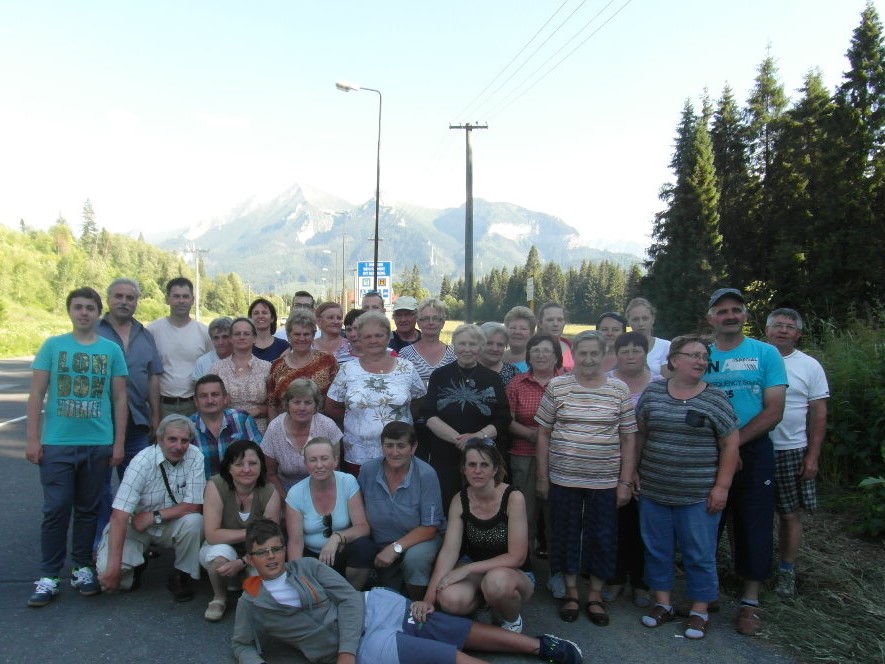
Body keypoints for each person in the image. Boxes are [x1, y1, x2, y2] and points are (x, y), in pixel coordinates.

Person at [231, 519, 583, 664]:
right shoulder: (251, 601)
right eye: (262, 553)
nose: (272, 557)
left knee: (450, 628)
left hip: (373, 610)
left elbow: (350, 599)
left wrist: (345, 654)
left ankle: (539, 645)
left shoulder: (306, 567)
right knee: (441, 655)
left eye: (276, 549)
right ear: (250, 558)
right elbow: (241, 644)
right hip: (366, 645)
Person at [25, 287, 129, 607]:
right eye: (78, 307)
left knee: (88, 509)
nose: (84, 313)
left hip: (97, 443)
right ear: (70, 311)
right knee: (56, 509)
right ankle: (49, 575)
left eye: (89, 308)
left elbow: (119, 398)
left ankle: (82, 567)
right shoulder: (53, 346)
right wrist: (33, 439)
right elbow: (36, 393)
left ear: (98, 313)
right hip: (58, 443)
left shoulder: (111, 350)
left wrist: (118, 443)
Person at [635, 335, 740, 639]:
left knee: (699, 553)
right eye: (693, 355)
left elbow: (730, 443)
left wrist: (722, 487)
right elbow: (640, 434)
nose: (700, 361)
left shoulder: (714, 398)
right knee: (657, 549)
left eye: (704, 357)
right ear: (674, 360)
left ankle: (699, 611)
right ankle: (662, 604)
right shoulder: (653, 392)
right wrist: (633, 472)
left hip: (697, 495)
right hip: (654, 489)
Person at [535, 331, 637, 627]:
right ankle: (570, 592)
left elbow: (628, 438)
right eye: (583, 353)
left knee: (602, 537)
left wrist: (625, 482)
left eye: (594, 353)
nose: (589, 359)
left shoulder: (618, 389)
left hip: (605, 481)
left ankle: (594, 595)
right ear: (574, 355)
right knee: (566, 534)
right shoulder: (558, 386)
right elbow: (543, 433)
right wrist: (542, 476)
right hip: (564, 478)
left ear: (604, 356)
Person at [704, 288, 787, 636]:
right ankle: (705, 593)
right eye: (722, 311)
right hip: (708, 450)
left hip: (752, 450)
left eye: (736, 310)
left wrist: (734, 445)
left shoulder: (765, 353)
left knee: (754, 521)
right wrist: (723, 448)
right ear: (711, 318)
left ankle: (750, 602)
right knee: (706, 521)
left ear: (745, 315)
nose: (729, 316)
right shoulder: (702, 355)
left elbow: (774, 410)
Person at [416, 439, 533, 634]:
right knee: (449, 599)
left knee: (496, 582)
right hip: (477, 572)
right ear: (464, 469)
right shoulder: (460, 500)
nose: (477, 471)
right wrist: (429, 599)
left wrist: (467, 569)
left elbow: (517, 557)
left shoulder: (513, 497)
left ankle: (512, 620)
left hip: (513, 574)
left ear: (495, 469)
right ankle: (484, 603)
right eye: (471, 464)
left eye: (484, 464)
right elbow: (449, 552)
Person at [97, 414, 205, 602]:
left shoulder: (195, 455)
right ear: (160, 439)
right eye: (172, 439)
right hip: (135, 525)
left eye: (184, 441)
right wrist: (113, 568)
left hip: (169, 522)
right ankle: (137, 564)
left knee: (195, 521)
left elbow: (193, 506)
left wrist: (154, 516)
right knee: (109, 575)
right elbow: (119, 515)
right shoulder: (141, 462)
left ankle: (181, 575)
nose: (178, 446)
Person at [765, 308, 829, 598]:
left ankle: (786, 571)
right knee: (746, 513)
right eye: (777, 325)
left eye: (789, 327)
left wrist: (812, 456)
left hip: (790, 450)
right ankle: (751, 566)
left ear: (798, 334)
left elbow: (818, 414)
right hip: (753, 447)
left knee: (789, 514)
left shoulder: (809, 366)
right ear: (767, 330)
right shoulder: (755, 358)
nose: (783, 330)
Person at [421, 324, 512, 508]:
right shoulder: (439, 375)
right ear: (454, 346)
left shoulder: (493, 378)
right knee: (448, 504)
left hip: (483, 457)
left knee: (482, 506)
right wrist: (458, 439)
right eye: (462, 344)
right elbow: (429, 414)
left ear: (481, 347)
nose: (467, 349)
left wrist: (476, 438)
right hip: (446, 455)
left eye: (473, 344)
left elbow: (503, 417)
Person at [326, 311, 426, 475]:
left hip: (399, 452)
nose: (373, 341)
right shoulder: (347, 369)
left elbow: (419, 402)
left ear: (388, 337)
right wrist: (359, 419)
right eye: (368, 336)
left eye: (379, 335)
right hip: (359, 453)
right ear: (360, 339)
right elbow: (332, 406)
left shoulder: (406, 367)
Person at [358, 422, 446, 600]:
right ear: (382, 446)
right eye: (389, 445)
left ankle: (417, 604)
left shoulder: (426, 475)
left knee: (415, 560)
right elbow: (358, 512)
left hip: (419, 540)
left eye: (401, 446)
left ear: (413, 447)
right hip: (381, 544)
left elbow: (430, 527)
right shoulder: (368, 470)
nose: (394, 452)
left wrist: (395, 548)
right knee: (390, 595)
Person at [602, 331, 656, 606]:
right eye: (625, 350)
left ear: (646, 353)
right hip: (612, 463)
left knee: (644, 524)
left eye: (637, 350)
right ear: (617, 354)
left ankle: (641, 582)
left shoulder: (659, 384)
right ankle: (614, 578)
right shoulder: (606, 382)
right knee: (615, 523)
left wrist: (636, 468)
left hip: (651, 464)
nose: (631, 355)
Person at [199, 440, 281, 621]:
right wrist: (254, 532)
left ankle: (245, 582)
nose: (246, 469)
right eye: (239, 464)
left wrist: (243, 561)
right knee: (219, 556)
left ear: (261, 466)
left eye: (253, 463)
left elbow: (271, 540)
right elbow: (212, 535)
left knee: (262, 584)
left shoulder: (270, 492)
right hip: (222, 546)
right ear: (228, 467)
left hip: (256, 550)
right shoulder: (216, 485)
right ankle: (219, 597)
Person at [284, 437, 375, 589]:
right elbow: (295, 542)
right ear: (306, 464)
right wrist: (298, 575)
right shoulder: (295, 493)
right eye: (313, 460)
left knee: (364, 548)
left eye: (324, 458)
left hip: (341, 551)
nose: (319, 465)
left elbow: (363, 527)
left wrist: (336, 538)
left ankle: (352, 593)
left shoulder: (347, 482)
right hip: (313, 557)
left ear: (335, 460)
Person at [506, 334, 563, 564]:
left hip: (559, 457)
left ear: (557, 356)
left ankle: (558, 570)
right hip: (523, 455)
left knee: (556, 517)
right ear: (528, 355)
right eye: (536, 350)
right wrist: (535, 435)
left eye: (546, 350)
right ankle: (524, 566)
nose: (540, 355)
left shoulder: (567, 383)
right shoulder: (516, 383)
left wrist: (547, 436)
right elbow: (507, 421)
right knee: (524, 515)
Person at [262, 378, 343, 498]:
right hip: (286, 491)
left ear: (316, 406)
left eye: (308, 403)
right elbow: (271, 474)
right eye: (296, 402)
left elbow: (335, 469)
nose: (302, 408)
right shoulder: (274, 429)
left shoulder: (328, 426)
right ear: (287, 404)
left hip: (323, 489)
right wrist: (287, 501)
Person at [148, 277, 212, 421]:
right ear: (167, 299)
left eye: (185, 296)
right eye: (176, 296)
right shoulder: (153, 330)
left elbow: (210, 369)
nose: (181, 301)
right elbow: (150, 373)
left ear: (192, 300)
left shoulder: (204, 332)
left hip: (195, 405)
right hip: (163, 405)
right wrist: (154, 414)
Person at [266, 309, 338, 421]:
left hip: (321, 426)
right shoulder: (276, 366)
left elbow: (337, 399)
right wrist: (275, 428)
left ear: (313, 335)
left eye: (306, 334)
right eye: (297, 334)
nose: (302, 338)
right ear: (288, 336)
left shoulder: (327, 361)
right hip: (286, 427)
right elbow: (272, 405)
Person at [190, 374, 263, 479]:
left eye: (215, 394)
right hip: (202, 487)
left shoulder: (242, 419)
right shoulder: (188, 427)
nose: (210, 400)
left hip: (241, 485)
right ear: (196, 401)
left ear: (225, 398)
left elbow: (261, 455)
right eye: (203, 396)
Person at [211, 317, 272, 433]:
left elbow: (275, 404)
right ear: (231, 338)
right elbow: (210, 401)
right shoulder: (217, 368)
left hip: (259, 430)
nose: (242, 337)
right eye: (237, 334)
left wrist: (258, 410)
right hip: (227, 428)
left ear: (254, 338)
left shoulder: (267, 368)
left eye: (246, 334)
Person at [398, 298, 456, 385]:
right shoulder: (405, 354)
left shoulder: (453, 353)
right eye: (425, 319)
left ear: (442, 323)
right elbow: (400, 386)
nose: (431, 322)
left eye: (435, 318)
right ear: (418, 323)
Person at [625, 297, 670, 379]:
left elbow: (666, 381)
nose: (641, 324)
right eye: (635, 319)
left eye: (645, 318)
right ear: (629, 322)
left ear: (653, 319)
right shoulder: (622, 347)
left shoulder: (666, 346)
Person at [248, 297, 289, 362]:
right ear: (250, 318)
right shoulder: (244, 345)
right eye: (256, 313)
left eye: (264, 313)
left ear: (272, 318)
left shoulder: (283, 346)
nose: (260, 316)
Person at [479, 322, 519, 387]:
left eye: (500, 345)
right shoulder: (466, 369)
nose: (495, 349)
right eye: (489, 343)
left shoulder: (514, 372)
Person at [537, 302, 573, 372]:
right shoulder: (530, 349)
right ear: (540, 323)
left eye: (560, 320)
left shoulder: (573, 348)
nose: (555, 324)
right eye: (550, 320)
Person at [503, 306, 537, 372]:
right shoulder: (496, 357)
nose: (517, 332)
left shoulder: (537, 361)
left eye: (523, 329)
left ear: (532, 333)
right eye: (513, 328)